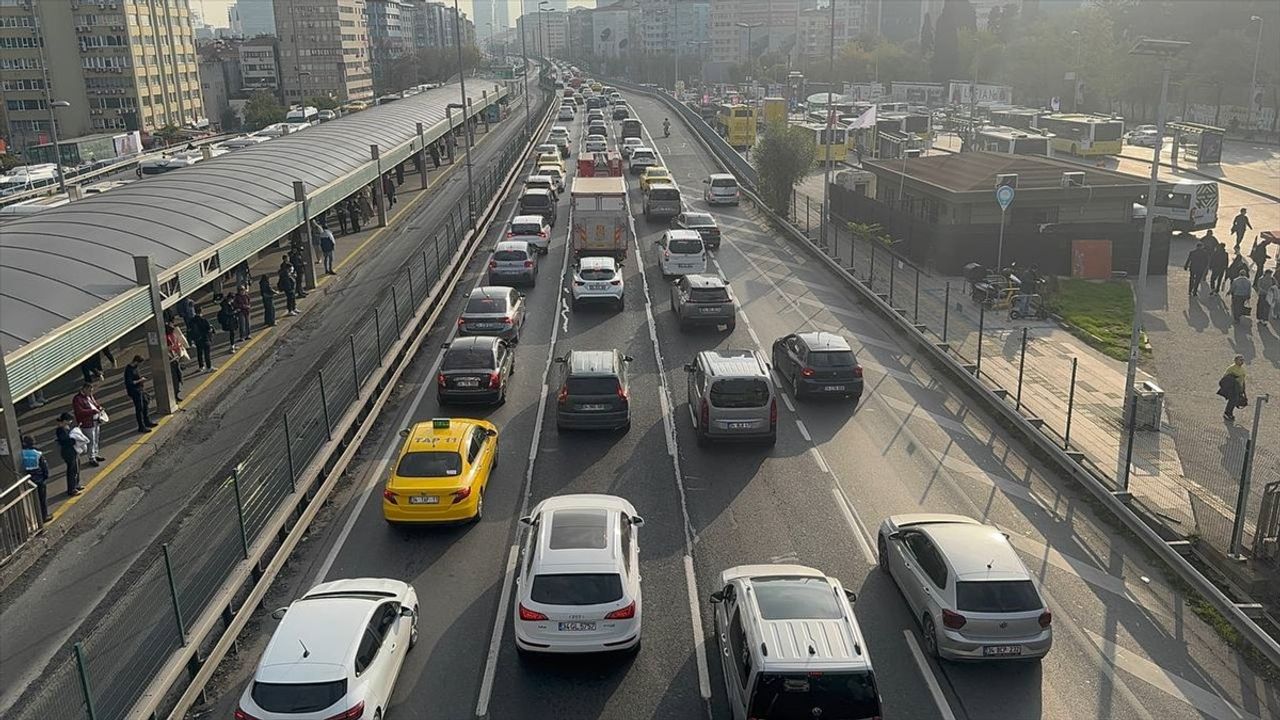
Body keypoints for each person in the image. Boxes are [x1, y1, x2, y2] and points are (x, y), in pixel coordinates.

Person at [71, 381, 106, 466]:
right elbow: (80, 412)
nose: (91, 393)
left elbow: (94, 404)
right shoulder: (77, 399)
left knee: (96, 439)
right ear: (84, 389)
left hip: (95, 421)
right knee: (91, 441)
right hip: (87, 423)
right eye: (90, 391)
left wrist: (99, 408)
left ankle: (95, 453)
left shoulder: (89, 396)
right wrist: (93, 411)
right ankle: (91, 458)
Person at [19, 435, 52, 523]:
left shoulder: (21, 454)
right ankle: (44, 516)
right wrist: (45, 476)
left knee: (31, 500)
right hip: (39, 479)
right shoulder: (37, 454)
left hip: (27, 480)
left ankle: (34, 518)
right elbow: (44, 467)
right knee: (41, 499)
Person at [124, 355, 156, 433]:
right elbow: (130, 382)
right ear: (136, 362)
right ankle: (141, 426)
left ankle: (147, 421)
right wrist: (140, 380)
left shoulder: (135, 368)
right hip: (134, 391)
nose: (140, 365)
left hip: (140, 389)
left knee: (145, 404)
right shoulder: (129, 370)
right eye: (140, 363)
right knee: (139, 408)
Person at [55, 412, 83, 497]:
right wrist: (74, 440)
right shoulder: (60, 430)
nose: (71, 422)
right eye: (69, 420)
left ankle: (76, 485)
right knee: (72, 470)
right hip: (68, 452)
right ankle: (72, 489)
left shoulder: (65, 428)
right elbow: (65, 441)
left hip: (72, 451)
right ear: (65, 421)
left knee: (76, 468)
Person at [1218, 355, 1248, 422]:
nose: (1242, 361)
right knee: (1233, 400)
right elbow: (1225, 378)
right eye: (1240, 360)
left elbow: (1242, 379)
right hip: (1232, 388)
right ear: (1235, 360)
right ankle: (1227, 413)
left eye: (1242, 360)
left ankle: (1229, 412)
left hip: (1238, 388)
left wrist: (1243, 389)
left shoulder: (1242, 369)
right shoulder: (1231, 368)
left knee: (1235, 400)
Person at [165, 321, 188, 401]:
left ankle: (177, 392)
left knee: (178, 376)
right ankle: (175, 395)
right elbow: (169, 348)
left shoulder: (171, 336)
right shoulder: (166, 338)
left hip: (175, 358)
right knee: (175, 379)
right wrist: (175, 347)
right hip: (171, 361)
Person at [189, 306, 214, 372]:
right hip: (205, 339)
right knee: (207, 354)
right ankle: (208, 367)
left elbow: (190, 330)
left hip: (197, 340)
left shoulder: (192, 320)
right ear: (201, 311)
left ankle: (201, 366)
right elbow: (209, 329)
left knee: (199, 353)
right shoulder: (204, 320)